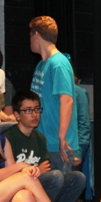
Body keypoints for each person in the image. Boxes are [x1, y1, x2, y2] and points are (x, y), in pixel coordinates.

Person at [4, 90, 92, 202]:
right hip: (18, 190)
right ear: (17, 115)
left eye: (37, 109)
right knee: (56, 177)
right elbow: (8, 174)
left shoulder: (39, 138)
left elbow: (46, 168)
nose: (34, 114)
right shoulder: (8, 138)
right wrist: (36, 169)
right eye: (28, 110)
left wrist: (37, 170)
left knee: (78, 178)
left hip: (36, 183)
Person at [29, 16, 79, 172]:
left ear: (37, 35)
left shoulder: (58, 64)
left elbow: (67, 100)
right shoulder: (41, 64)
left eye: (30, 35)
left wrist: (62, 137)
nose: (30, 40)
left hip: (58, 145)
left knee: (59, 184)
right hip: (44, 141)